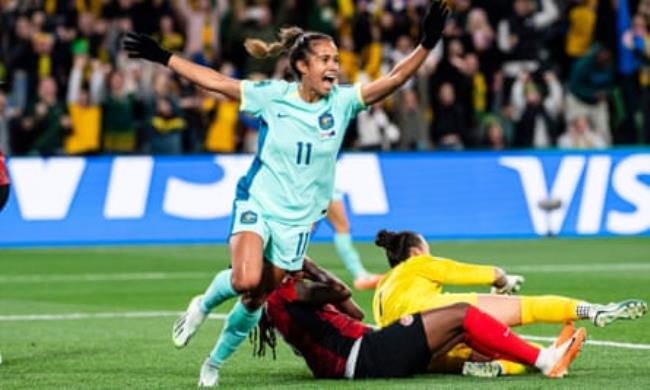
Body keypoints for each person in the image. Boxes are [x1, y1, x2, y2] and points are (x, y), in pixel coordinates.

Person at [123, 1, 451, 386]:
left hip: (298, 221)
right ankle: (202, 305)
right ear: (302, 67)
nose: (334, 66)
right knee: (245, 279)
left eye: (336, 59)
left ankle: (213, 363)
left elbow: (394, 79)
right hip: (258, 202)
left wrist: (426, 44)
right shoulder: (272, 97)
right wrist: (164, 57)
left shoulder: (343, 103)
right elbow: (215, 81)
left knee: (257, 297)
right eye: (325, 59)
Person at [255, 257, 586, 380]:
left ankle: (539, 357)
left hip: (361, 355)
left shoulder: (281, 297)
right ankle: (545, 360)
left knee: (461, 333)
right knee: (462, 314)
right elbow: (340, 289)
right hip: (365, 355)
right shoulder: (284, 294)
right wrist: (311, 267)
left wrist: (306, 274)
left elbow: (353, 311)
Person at [371, 229, 647, 375]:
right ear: (417, 251)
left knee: (491, 350)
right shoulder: (419, 263)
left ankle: (506, 365)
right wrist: (503, 280)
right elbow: (469, 272)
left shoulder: (382, 287)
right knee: (528, 307)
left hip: (409, 354)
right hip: (434, 315)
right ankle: (594, 310)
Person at [324, 191, 382, 290]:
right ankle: (360, 275)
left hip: (311, 184)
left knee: (305, 228)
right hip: (322, 185)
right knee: (342, 226)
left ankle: (292, 270)